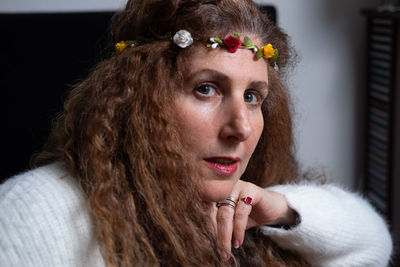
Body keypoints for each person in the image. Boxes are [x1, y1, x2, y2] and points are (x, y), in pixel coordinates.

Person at [0, 0, 392, 266]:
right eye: (207, 88)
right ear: (139, 99)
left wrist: (280, 210)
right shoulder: (33, 212)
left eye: (253, 96)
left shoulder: (248, 211)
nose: (240, 127)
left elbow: (376, 244)